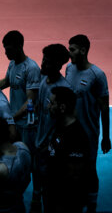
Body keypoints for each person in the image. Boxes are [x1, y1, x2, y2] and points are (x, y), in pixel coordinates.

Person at [66, 34, 111, 212]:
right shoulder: (69, 68)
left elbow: (104, 108)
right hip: (69, 132)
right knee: (70, 168)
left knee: (89, 170)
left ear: (83, 51)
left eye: (72, 49)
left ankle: (92, 204)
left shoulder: (97, 75)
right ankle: (75, 200)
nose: (69, 53)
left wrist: (105, 137)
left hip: (88, 133)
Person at [34, 44, 70, 210]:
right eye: (43, 60)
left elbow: (65, 124)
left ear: (58, 65)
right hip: (40, 144)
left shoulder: (63, 90)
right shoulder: (43, 81)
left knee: (52, 190)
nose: (42, 65)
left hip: (52, 151)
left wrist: (51, 145)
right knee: (40, 180)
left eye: (47, 62)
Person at [44, 87, 90, 213]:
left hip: (64, 203)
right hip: (53, 197)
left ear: (62, 107)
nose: (48, 106)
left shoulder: (77, 137)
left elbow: (74, 176)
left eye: (52, 103)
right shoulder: (60, 125)